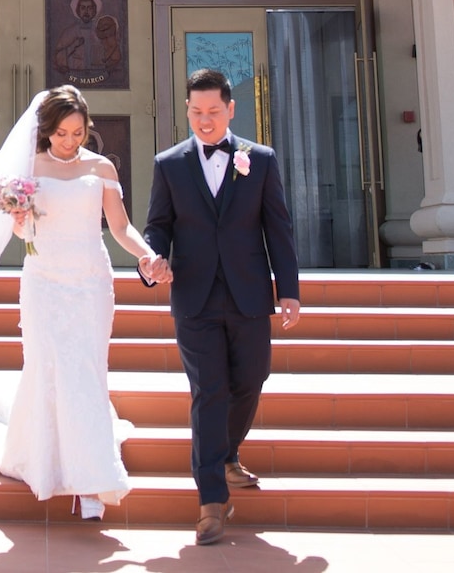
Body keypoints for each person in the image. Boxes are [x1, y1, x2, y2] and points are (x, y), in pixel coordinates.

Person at [0, 85, 168, 522]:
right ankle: (45, 462)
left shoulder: (102, 167)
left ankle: (92, 480)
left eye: (77, 132)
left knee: (88, 371)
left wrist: (146, 255)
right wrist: (19, 220)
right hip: (44, 282)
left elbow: (120, 227)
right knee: (48, 368)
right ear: (46, 131)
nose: (70, 141)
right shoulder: (28, 170)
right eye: (61, 133)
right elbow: (25, 235)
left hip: (91, 281)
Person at [143, 67, 301, 546]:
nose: (204, 120)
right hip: (194, 296)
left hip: (250, 292)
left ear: (231, 110)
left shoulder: (261, 159)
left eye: (213, 111)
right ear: (187, 110)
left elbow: (278, 228)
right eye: (196, 112)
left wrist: (288, 289)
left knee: (251, 378)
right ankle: (211, 501)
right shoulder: (169, 163)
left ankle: (227, 453)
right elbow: (158, 226)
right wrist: (152, 259)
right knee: (208, 390)